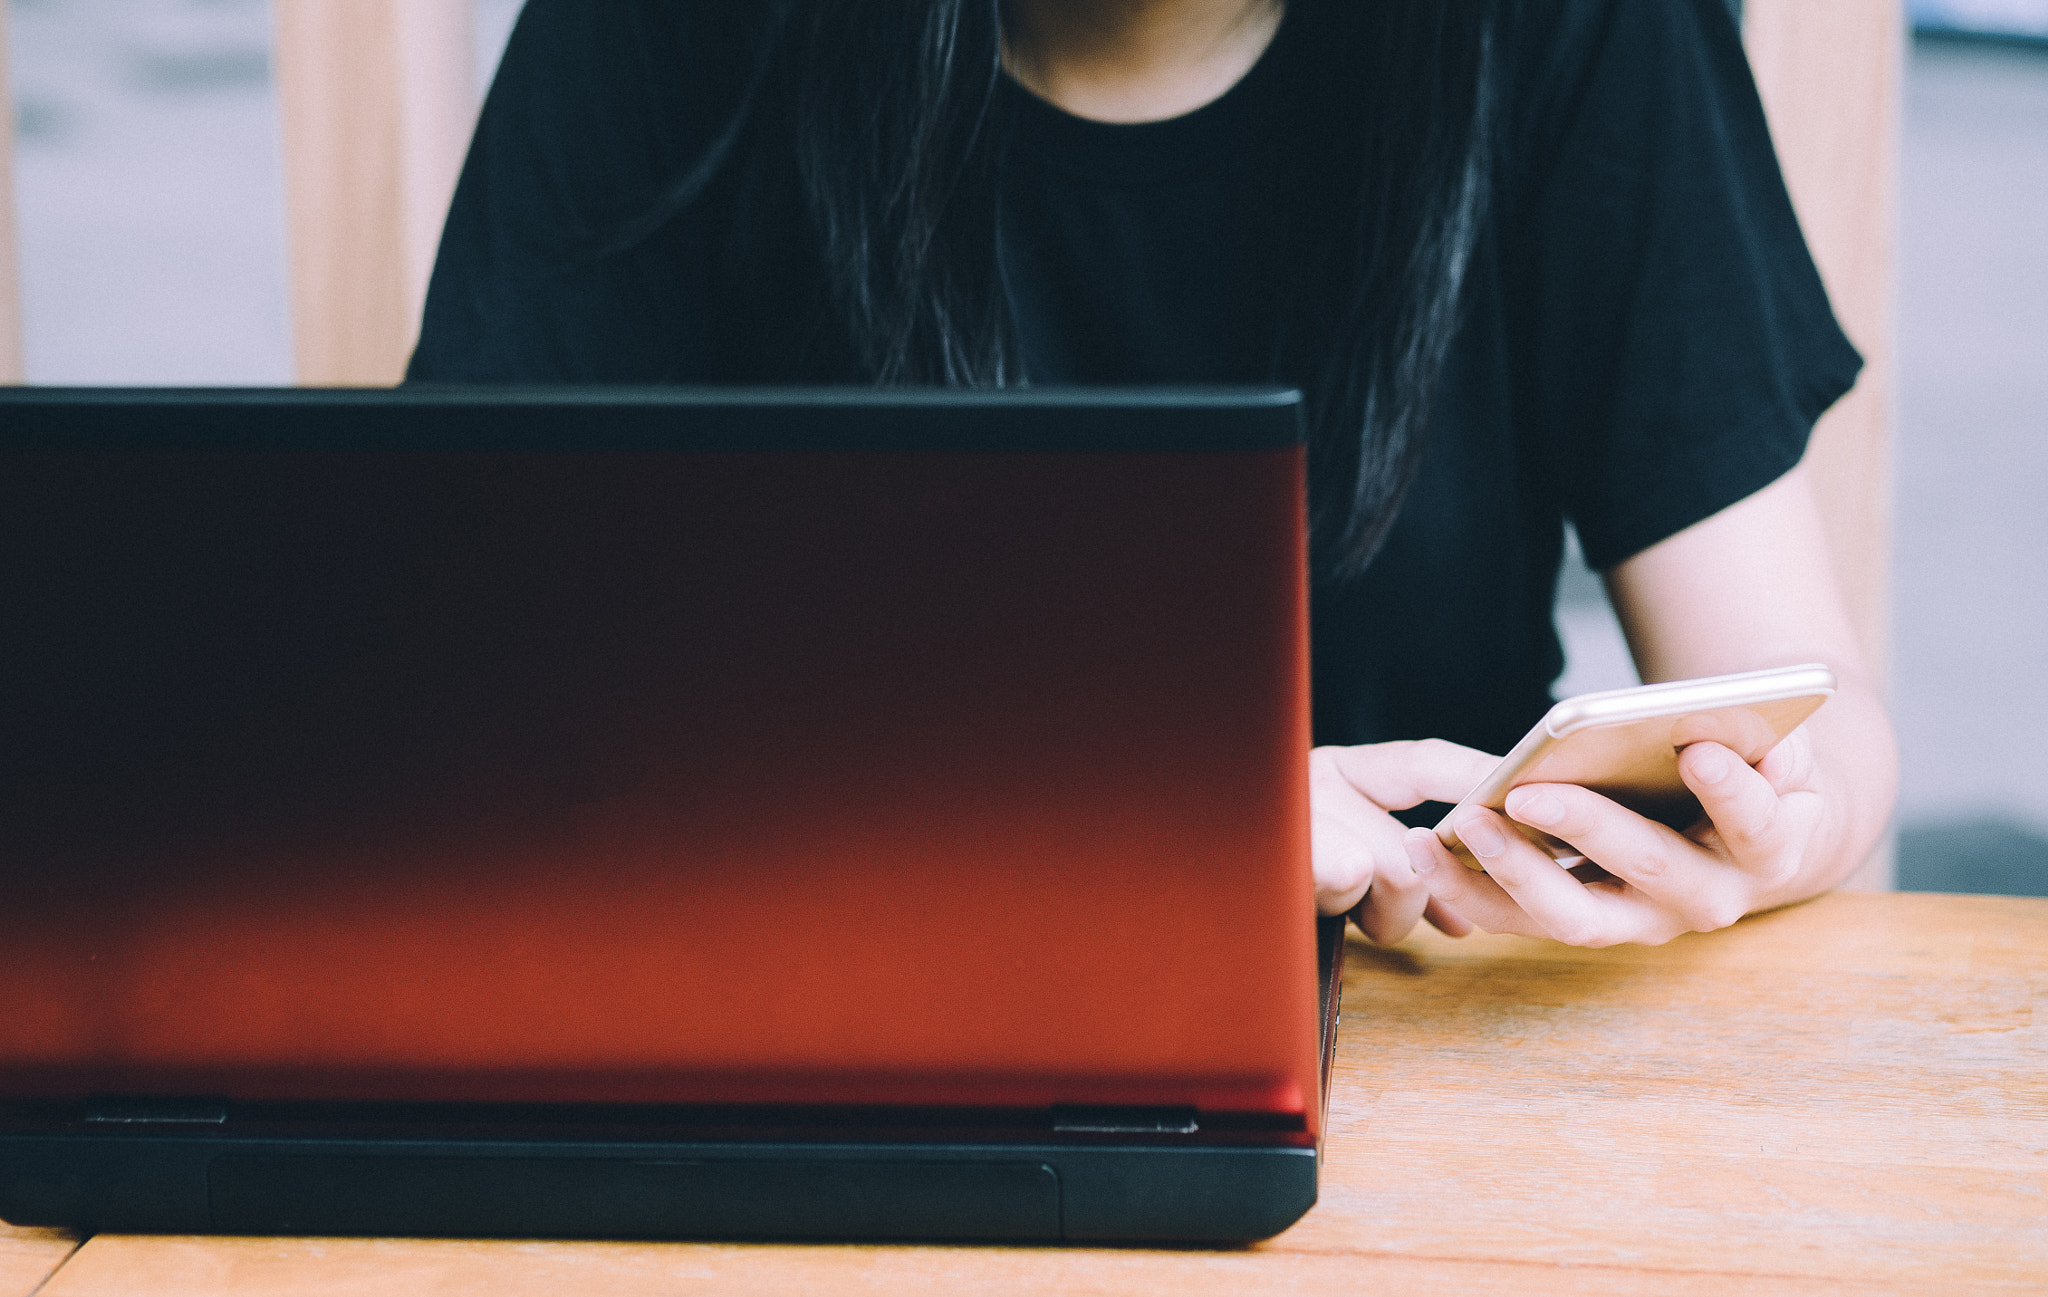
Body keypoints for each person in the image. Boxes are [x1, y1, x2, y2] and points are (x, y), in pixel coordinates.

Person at [409, 0, 1898, 948]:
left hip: (1427, 1043)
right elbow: (453, 706)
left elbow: (1797, 686)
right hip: (820, 1003)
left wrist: (1790, 832)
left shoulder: (1569, 26)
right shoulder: (674, 35)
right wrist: (1179, 828)